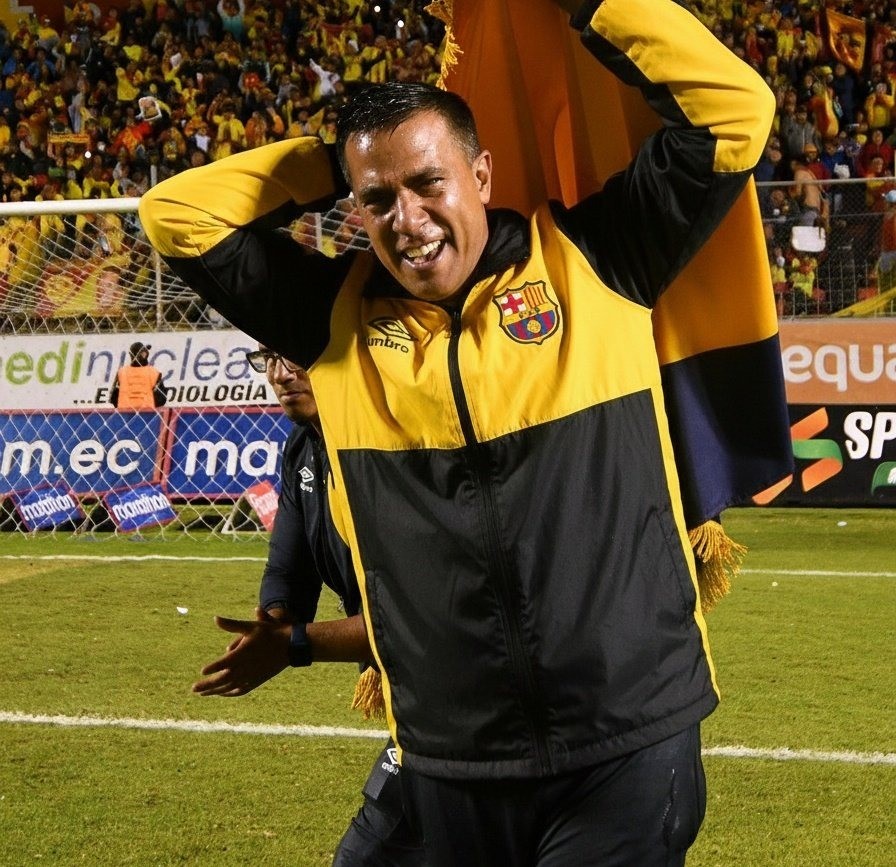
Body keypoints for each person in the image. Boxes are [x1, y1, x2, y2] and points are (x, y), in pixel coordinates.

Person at [140, 1, 787, 862]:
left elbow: (736, 112)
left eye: (428, 182)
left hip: (627, 737)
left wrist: (593, 6)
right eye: (377, 198)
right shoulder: (332, 317)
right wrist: (338, 162)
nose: (407, 219)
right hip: (452, 761)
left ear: (481, 174)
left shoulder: (597, 257)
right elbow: (176, 215)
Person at [193, 345, 423, 866]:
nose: (279, 374)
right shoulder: (303, 446)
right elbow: (289, 570)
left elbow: (424, 614)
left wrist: (294, 644)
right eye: (266, 358)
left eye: (293, 355)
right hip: (419, 694)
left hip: (472, 694)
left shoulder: (396, 444)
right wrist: (272, 624)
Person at [109, 341, 167, 409]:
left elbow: (113, 398)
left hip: (124, 412)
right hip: (147, 412)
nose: (144, 354)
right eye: (143, 353)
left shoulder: (122, 373)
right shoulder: (153, 373)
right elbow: (161, 399)